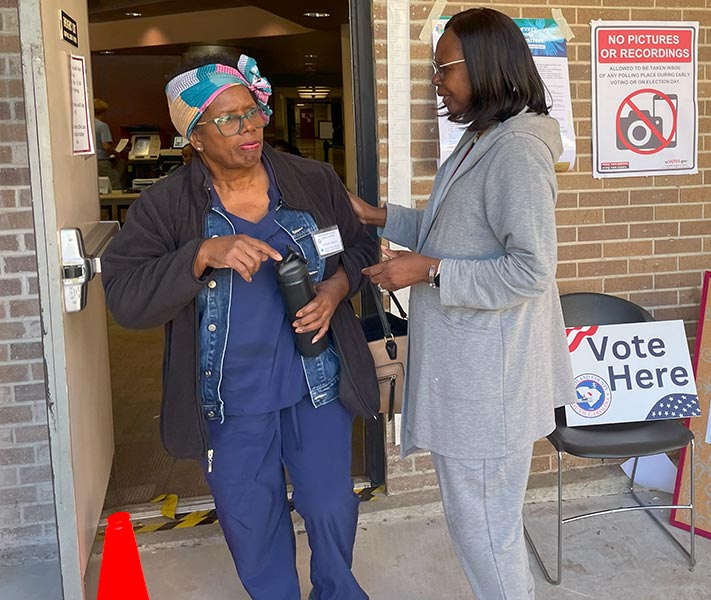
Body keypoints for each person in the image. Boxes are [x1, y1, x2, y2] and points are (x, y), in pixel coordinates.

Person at [101, 52, 379, 600]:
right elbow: (126, 297)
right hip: (230, 400)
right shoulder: (166, 208)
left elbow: (360, 247)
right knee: (253, 523)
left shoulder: (309, 179)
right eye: (226, 119)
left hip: (314, 382)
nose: (248, 126)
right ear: (194, 138)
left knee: (331, 506)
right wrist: (201, 253)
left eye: (250, 111)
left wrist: (336, 289)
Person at [349, 8, 573, 598]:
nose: (436, 81)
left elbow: (529, 269)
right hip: (475, 370)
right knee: (481, 523)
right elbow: (457, 230)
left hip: (489, 384)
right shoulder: (484, 138)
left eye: (444, 68)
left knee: (484, 529)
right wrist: (381, 216)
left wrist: (427, 270)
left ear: (486, 68)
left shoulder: (516, 151)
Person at [94, 99, 123, 190]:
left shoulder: (87, 124)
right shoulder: (102, 126)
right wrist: (116, 153)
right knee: (114, 181)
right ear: (102, 112)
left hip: (91, 161)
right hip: (102, 161)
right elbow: (105, 146)